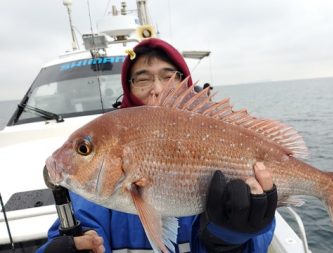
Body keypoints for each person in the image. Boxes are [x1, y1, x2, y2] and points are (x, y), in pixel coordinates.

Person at [37, 38, 277, 253]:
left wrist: (230, 241)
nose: (157, 89)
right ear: (128, 89)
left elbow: (260, 239)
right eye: (142, 79)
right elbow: (82, 228)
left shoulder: (219, 132)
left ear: (186, 84)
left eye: (169, 76)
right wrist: (71, 246)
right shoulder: (94, 191)